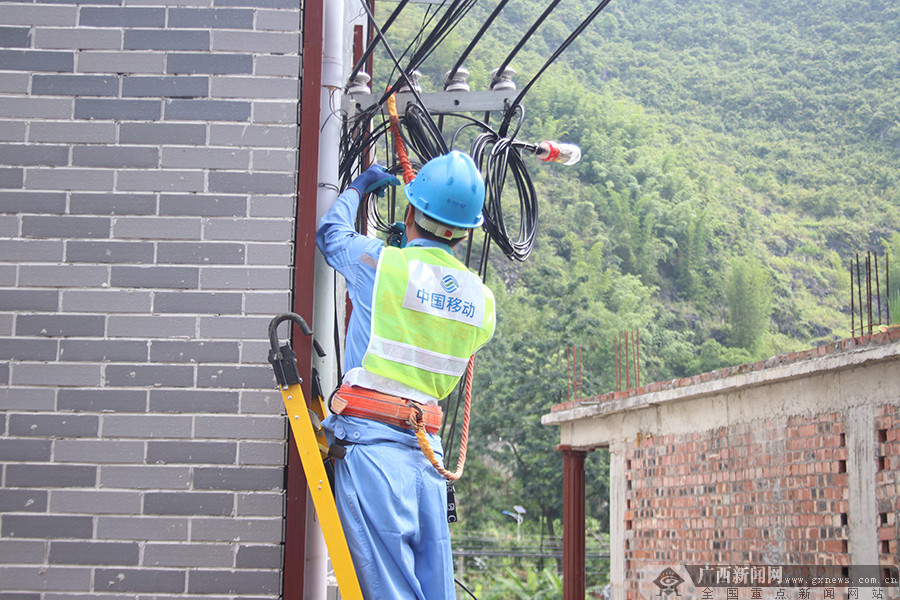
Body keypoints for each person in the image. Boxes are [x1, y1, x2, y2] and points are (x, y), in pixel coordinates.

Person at [316, 150, 496, 600]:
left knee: (388, 588)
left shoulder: (381, 266)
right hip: (427, 455)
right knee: (435, 589)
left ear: (411, 209)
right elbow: (428, 313)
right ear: (466, 230)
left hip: (374, 449)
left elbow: (330, 233)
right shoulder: (483, 302)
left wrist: (359, 187)